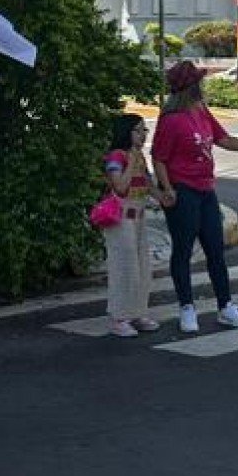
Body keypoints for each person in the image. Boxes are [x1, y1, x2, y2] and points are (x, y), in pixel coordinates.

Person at [152, 60, 238, 334]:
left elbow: (224, 140)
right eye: (199, 81)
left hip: (206, 189)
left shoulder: (202, 112)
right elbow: (159, 158)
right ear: (190, 87)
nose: (203, 85)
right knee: (182, 251)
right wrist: (167, 189)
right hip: (183, 191)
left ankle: (226, 307)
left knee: (215, 251)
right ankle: (187, 308)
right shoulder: (171, 120)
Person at [102, 112, 160, 338]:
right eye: (138, 130)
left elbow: (147, 183)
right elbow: (120, 187)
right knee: (124, 266)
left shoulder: (139, 157)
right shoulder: (117, 157)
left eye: (144, 130)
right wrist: (131, 162)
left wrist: (163, 197)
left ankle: (137, 311)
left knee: (142, 265)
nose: (143, 135)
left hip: (139, 216)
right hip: (121, 218)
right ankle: (119, 316)